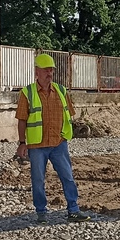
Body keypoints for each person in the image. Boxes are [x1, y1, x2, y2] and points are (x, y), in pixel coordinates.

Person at [16, 53, 90, 223]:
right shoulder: (27, 93)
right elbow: (22, 119)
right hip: (37, 146)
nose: (49, 73)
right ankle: (41, 213)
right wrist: (22, 143)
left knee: (67, 176)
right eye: (46, 70)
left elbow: (69, 114)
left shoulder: (61, 91)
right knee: (38, 180)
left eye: (51, 70)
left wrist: (65, 135)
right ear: (37, 72)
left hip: (58, 144)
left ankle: (73, 209)